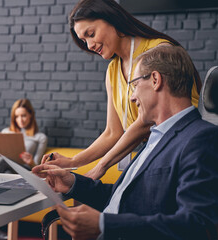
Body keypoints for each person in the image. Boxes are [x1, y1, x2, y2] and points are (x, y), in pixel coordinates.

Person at [33, 46, 218, 239]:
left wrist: (105, 224)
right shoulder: (157, 136)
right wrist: (72, 183)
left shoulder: (202, 139)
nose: (133, 97)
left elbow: (200, 227)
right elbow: (126, 199)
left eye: (135, 85)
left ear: (155, 80)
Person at [41, 0, 202, 180]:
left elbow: (147, 122)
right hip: (151, 152)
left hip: (177, 149)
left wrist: (100, 166)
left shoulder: (159, 53)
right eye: (84, 41)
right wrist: (73, 161)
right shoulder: (113, 70)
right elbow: (112, 132)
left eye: (91, 34)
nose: (89, 45)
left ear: (112, 19)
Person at [0, 98, 47, 173]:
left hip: (26, 170)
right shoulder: (5, 132)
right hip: (7, 167)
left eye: (23, 116)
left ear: (30, 115)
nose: (20, 120)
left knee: (2, 160)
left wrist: (30, 162)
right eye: (17, 116)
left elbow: (37, 166)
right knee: (7, 172)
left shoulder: (40, 137)